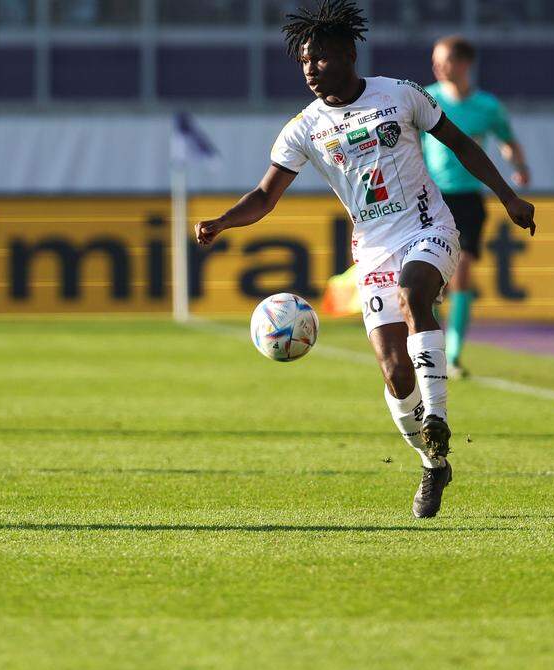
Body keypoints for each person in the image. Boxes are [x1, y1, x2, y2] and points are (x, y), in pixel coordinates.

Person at [194, 0, 536, 518]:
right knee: (396, 374)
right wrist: (222, 221)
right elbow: (265, 197)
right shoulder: (304, 128)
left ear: (348, 53)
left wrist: (508, 197)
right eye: (304, 62)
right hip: (372, 247)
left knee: (416, 290)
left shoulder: (399, 94)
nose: (310, 69)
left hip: (429, 226)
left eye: (320, 58)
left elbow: (461, 144)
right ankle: (433, 462)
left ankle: (438, 416)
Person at [424, 35, 531, 378]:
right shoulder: (426, 98)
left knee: (462, 271)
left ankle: (453, 355)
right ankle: (433, 350)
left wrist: (519, 166)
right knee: (431, 279)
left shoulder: (487, 106)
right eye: (435, 60)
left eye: (445, 60)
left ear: (464, 64)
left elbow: (507, 140)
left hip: (468, 199)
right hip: (430, 197)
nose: (438, 67)